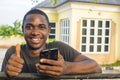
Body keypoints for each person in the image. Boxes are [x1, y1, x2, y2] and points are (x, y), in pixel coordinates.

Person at [1, 9, 102, 78]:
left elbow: (96, 66)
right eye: (29, 27)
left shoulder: (59, 48)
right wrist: (7, 73)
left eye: (41, 27)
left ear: (48, 30)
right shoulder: (14, 52)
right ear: (22, 29)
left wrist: (66, 68)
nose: (35, 32)